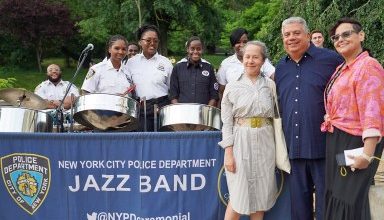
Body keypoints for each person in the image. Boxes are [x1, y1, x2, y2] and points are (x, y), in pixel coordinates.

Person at [275, 17, 343, 220]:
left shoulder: (331, 60)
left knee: (326, 207)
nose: (291, 38)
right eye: (287, 35)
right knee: (298, 210)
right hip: (294, 151)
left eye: (296, 33)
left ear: (307, 35)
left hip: (324, 147)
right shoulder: (281, 68)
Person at [322, 17, 384, 220]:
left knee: (348, 200)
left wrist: (367, 154)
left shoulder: (368, 65)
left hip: (355, 141)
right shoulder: (342, 68)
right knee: (337, 195)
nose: (340, 39)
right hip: (337, 139)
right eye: (336, 37)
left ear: (361, 35)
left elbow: (373, 110)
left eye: (346, 34)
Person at [219, 41, 277, 220]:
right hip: (240, 141)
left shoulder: (270, 85)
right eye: (247, 57)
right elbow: (226, 122)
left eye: (255, 57)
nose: (250, 61)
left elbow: (276, 116)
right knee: (238, 196)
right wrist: (228, 153)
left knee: (261, 196)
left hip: (266, 140)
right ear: (242, 59)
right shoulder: (232, 86)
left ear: (263, 60)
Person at [125, 24, 173, 131]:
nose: (152, 43)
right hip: (140, 109)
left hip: (162, 108)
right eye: (148, 40)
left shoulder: (166, 62)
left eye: (155, 41)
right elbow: (128, 88)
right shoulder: (131, 63)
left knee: (162, 142)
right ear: (140, 42)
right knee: (142, 142)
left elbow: (172, 89)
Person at [217, 28, 275, 103]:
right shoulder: (226, 64)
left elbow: (275, 77)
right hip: (237, 110)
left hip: (261, 109)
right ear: (233, 45)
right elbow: (221, 91)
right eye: (238, 42)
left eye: (245, 42)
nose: (242, 45)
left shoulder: (261, 60)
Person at [169, 36, 219, 106]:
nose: (195, 52)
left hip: (203, 114)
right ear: (187, 49)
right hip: (182, 113)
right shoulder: (178, 68)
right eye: (192, 49)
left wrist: (207, 111)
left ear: (202, 50)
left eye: (198, 49)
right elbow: (173, 94)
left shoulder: (209, 68)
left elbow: (214, 95)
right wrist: (179, 110)